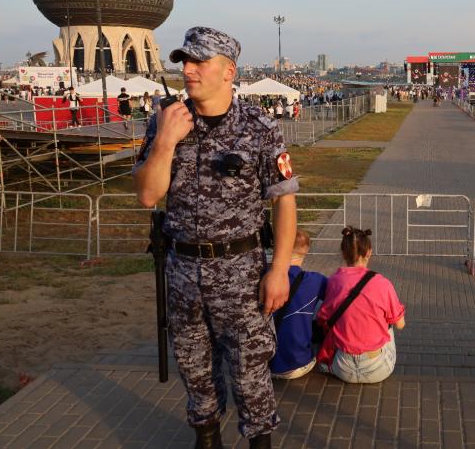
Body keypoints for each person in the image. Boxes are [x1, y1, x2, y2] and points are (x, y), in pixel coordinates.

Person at [133, 26, 298, 449]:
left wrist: (279, 270)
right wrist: (167, 141)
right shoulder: (166, 121)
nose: (187, 70)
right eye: (184, 61)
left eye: (198, 61)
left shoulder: (259, 127)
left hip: (241, 275)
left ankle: (259, 440)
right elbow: (149, 194)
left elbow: (283, 201)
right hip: (184, 271)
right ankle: (206, 438)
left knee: (250, 372)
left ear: (228, 71)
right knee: (194, 368)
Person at [316, 227, 405, 384]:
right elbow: (400, 324)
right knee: (390, 323)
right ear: (369, 252)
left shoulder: (332, 282)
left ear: (343, 254)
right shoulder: (383, 284)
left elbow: (322, 318)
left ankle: (327, 364)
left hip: (341, 368)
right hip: (379, 369)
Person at [270, 229, 327, 380]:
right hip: (299, 365)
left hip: (265, 364)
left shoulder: (264, 276)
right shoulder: (315, 280)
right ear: (306, 251)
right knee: (321, 307)